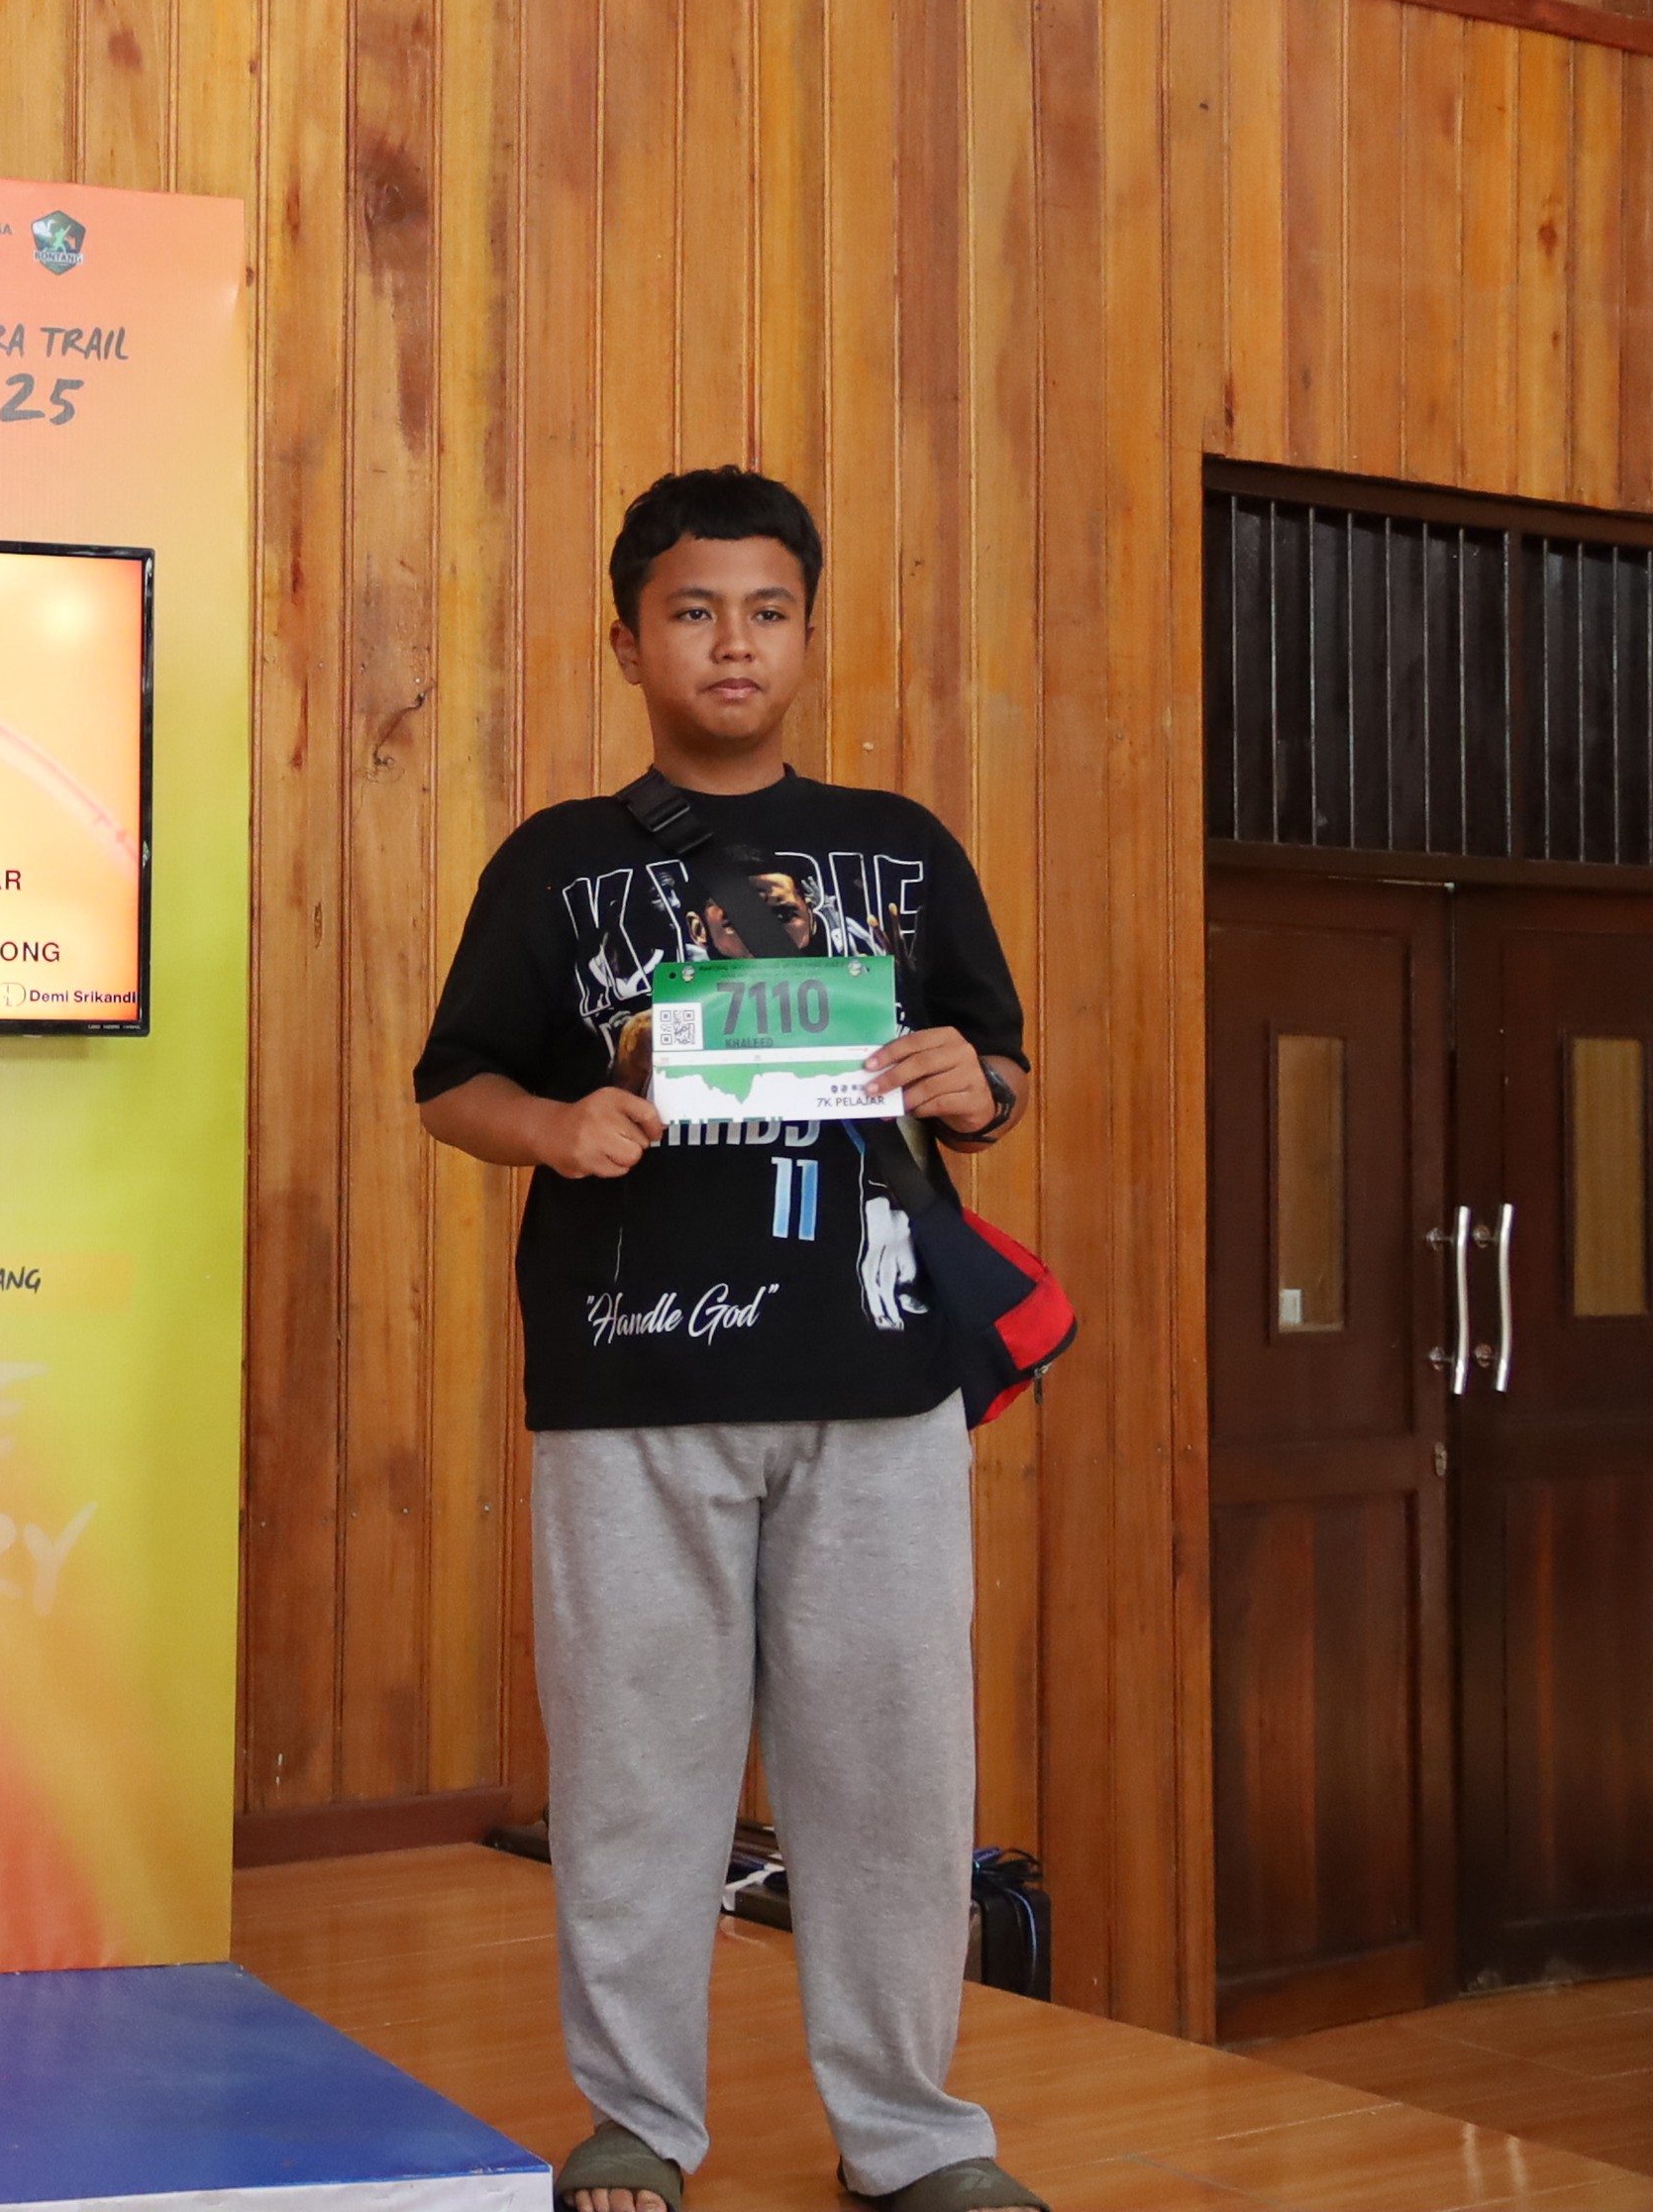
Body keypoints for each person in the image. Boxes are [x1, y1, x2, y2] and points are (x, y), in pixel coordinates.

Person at [412, 469, 1045, 2212]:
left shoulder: (904, 849)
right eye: (693, 612)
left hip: (882, 1379)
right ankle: (640, 2121)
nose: (733, 643)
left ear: (809, 634)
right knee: (637, 1774)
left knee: (894, 1783)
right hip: (633, 1379)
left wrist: (971, 1085)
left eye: (767, 611)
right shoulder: (554, 862)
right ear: (629, 642)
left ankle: (911, 2138)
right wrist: (558, 1128)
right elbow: (453, 1085)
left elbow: (993, 1066)